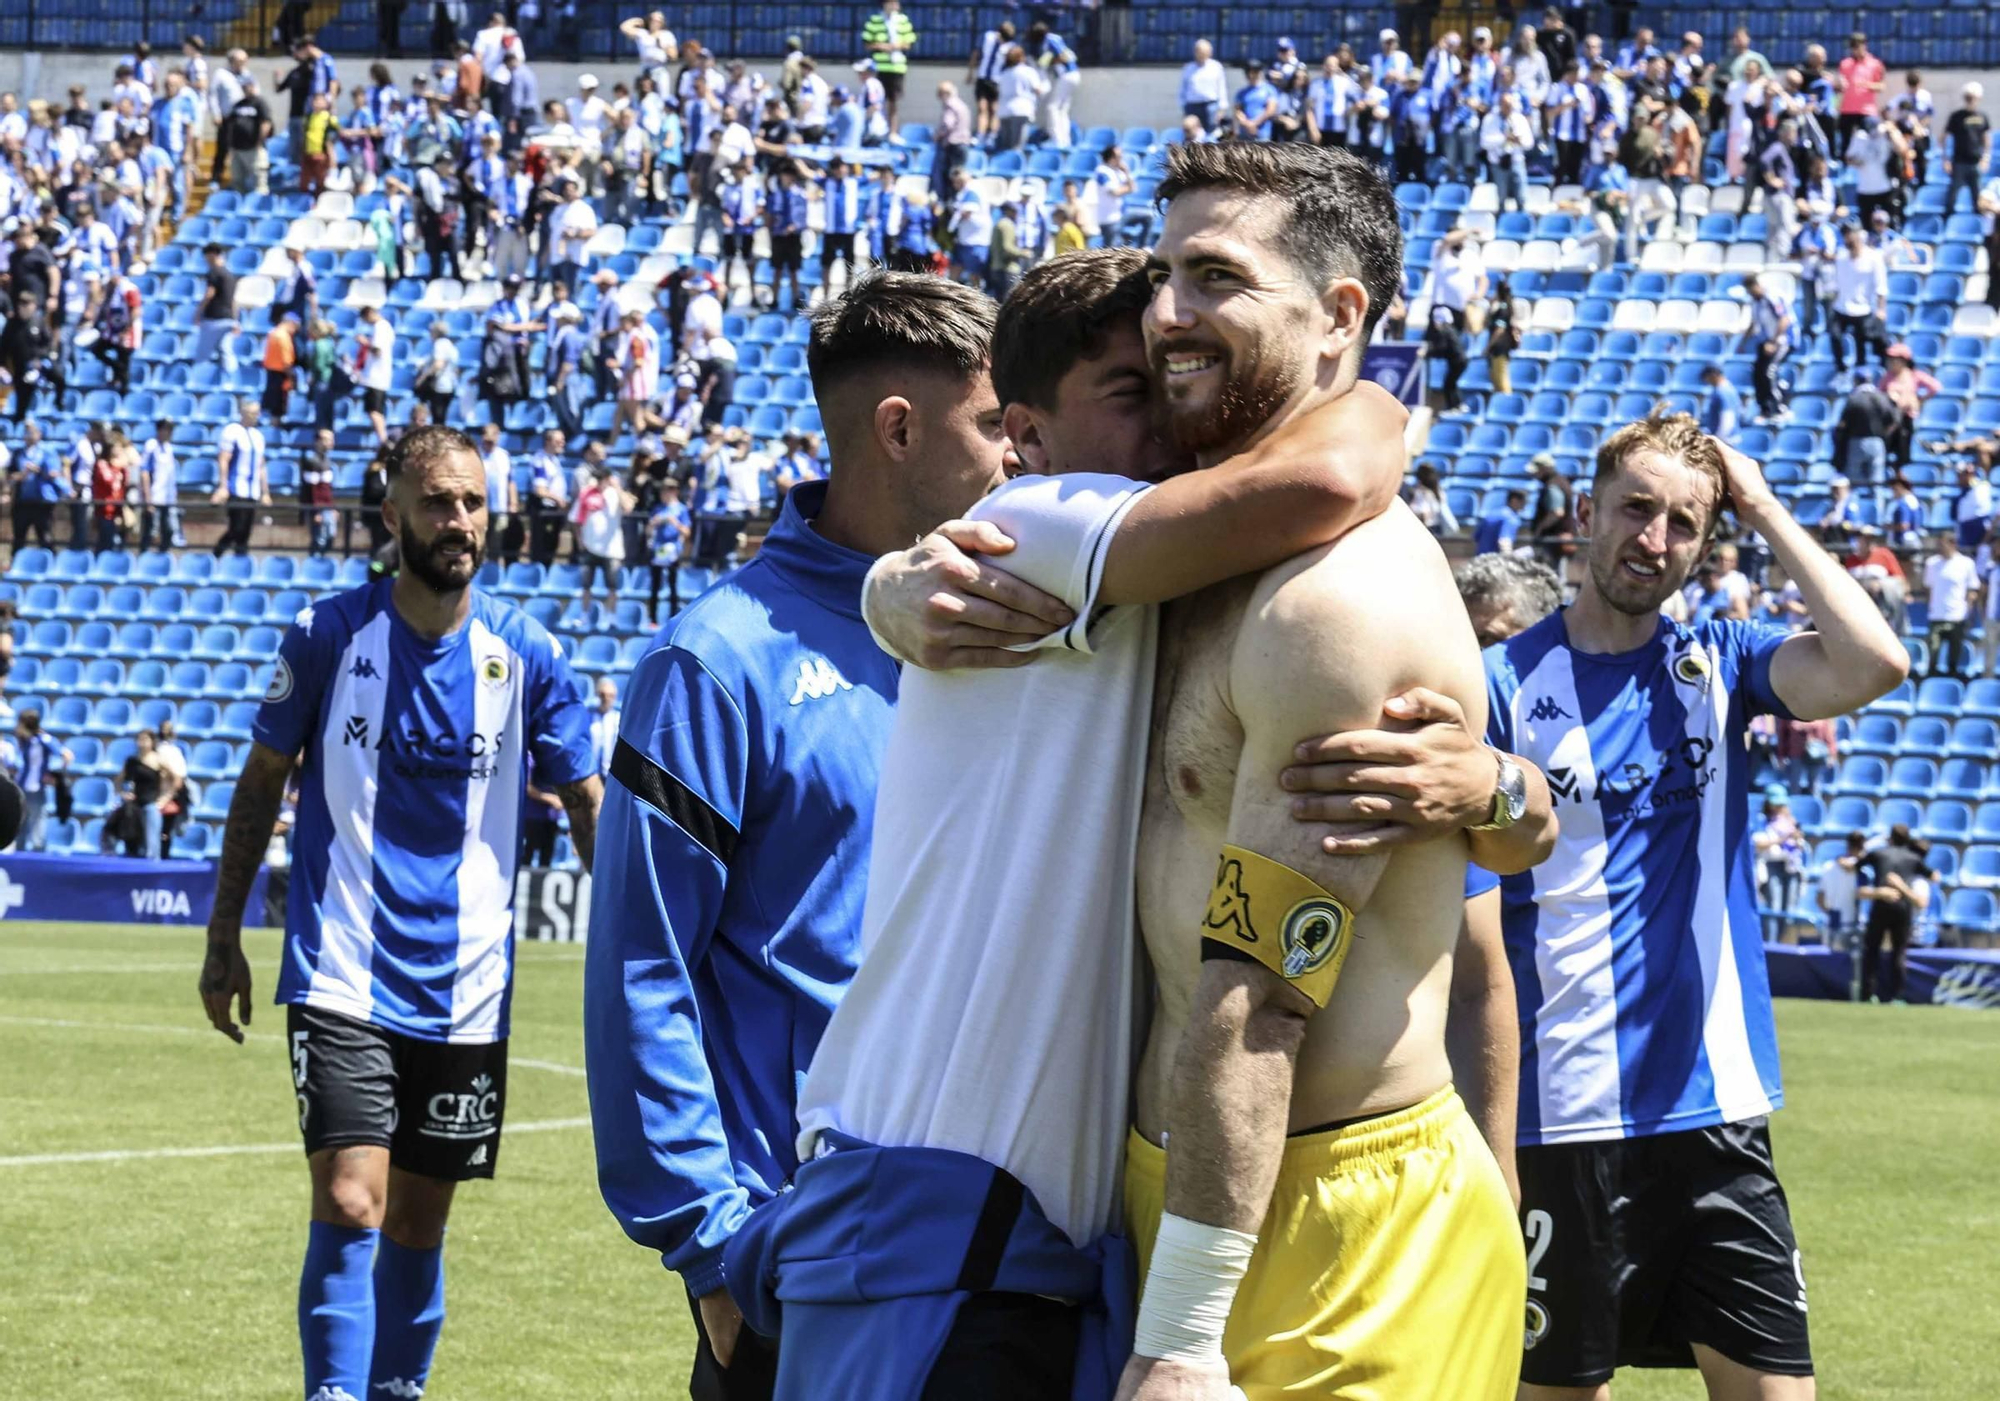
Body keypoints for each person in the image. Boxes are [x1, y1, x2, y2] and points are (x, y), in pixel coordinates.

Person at [742, 233, 1525, 1398]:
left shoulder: (1177, 575)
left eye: (1167, 390)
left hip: (1048, 1218)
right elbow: (1334, 463)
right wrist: (889, 586)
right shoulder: (1052, 525)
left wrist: (1505, 790)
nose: (1165, 428)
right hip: (935, 1195)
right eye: (1130, 394)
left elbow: (1493, 843)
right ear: (1027, 438)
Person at [1080, 142, 1550, 1401]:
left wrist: (1178, 1334)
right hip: (1193, 1189)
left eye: (1215, 278)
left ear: (1339, 315)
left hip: (1343, 1225)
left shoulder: (1326, 608)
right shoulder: (1184, 543)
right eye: (1161, 272)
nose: (1165, 313)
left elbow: (1259, 994)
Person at [585, 274, 1023, 1401]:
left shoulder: (1017, 621)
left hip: (1009, 1240)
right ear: (894, 429)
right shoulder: (716, 663)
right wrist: (710, 1245)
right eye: (990, 424)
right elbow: (643, 963)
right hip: (807, 1259)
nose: (1016, 454)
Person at [1488, 414, 1908, 1401]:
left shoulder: (1715, 665)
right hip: (1561, 1126)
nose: (1653, 538)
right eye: (1634, 509)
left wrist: (1757, 505)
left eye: (1683, 522)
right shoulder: (1500, 685)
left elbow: (1873, 664)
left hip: (1715, 1117)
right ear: (1581, 516)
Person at [196, 425, 602, 1401]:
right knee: (350, 1200)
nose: (455, 520)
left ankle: (395, 1392)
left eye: (469, 502)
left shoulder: (527, 657)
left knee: (420, 1226)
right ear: (393, 517)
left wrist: (639, 943)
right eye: (435, 502)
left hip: (469, 986)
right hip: (341, 968)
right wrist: (223, 942)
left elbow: (587, 803)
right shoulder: (330, 636)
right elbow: (258, 792)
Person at [1857, 825, 1928, 1001]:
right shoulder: (1913, 858)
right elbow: (1933, 875)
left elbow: (1857, 864)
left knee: (1872, 950)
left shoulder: (1879, 853)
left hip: (1881, 904)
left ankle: (1867, 994)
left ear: (1891, 837)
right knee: (1899, 952)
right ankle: (1898, 995)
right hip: (1903, 907)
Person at [211, 397, 268, 556]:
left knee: (245, 532)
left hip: (252, 490)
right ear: (243, 413)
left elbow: (261, 465)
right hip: (237, 488)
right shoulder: (232, 431)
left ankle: (239, 561)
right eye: (252, 413)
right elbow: (224, 459)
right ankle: (217, 553)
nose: (255, 416)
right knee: (237, 528)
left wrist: (265, 492)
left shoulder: (258, 436)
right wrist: (223, 486)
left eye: (257, 413)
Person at [1924, 532, 1982, 678]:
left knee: (1954, 656)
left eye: (1943, 543)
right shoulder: (1931, 563)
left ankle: (1952, 680)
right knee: (1933, 651)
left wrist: (1967, 611)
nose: (1940, 547)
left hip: (1957, 616)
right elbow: (1929, 588)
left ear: (1953, 543)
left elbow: (1972, 590)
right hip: (1936, 615)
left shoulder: (1966, 563)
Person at [15, 709, 70, 853]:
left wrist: (55, 774)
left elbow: (67, 755)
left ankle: (37, 855)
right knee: (20, 823)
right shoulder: (26, 740)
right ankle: (19, 855)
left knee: (37, 825)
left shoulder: (44, 739)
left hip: (36, 789)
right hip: (21, 787)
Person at [1944, 83, 1992, 215]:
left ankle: (1977, 223)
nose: (1970, 100)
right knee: (1953, 194)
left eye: (1973, 97)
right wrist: (1945, 159)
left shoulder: (1983, 117)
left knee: (1977, 196)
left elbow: (1986, 139)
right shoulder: (1956, 116)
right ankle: (1948, 218)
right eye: (1968, 97)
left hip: (1975, 162)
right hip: (1959, 162)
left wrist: (1986, 158)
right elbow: (1945, 138)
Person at [1815, 831, 1866, 947]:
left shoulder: (1827, 866)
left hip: (1831, 924)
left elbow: (1819, 899)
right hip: (1852, 928)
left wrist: (1831, 913)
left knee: (1827, 963)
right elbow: (1861, 894)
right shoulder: (1860, 872)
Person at [1180, 38, 1229, 133]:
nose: (1201, 54)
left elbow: (1221, 88)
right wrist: (1183, 106)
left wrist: (1222, 108)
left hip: (1210, 106)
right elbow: (1183, 89)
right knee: (1192, 136)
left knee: (1210, 134)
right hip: (1192, 106)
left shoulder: (1216, 67)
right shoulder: (1188, 68)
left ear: (1209, 52)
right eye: (1199, 51)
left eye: (1204, 51)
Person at [1475, 487, 1527, 555]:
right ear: (1514, 500)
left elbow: (1476, 539)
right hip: (1495, 561)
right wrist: (1508, 561)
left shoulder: (1491, 514)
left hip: (1480, 559)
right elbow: (1504, 542)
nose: (1524, 506)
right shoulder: (1510, 518)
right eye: (1523, 502)